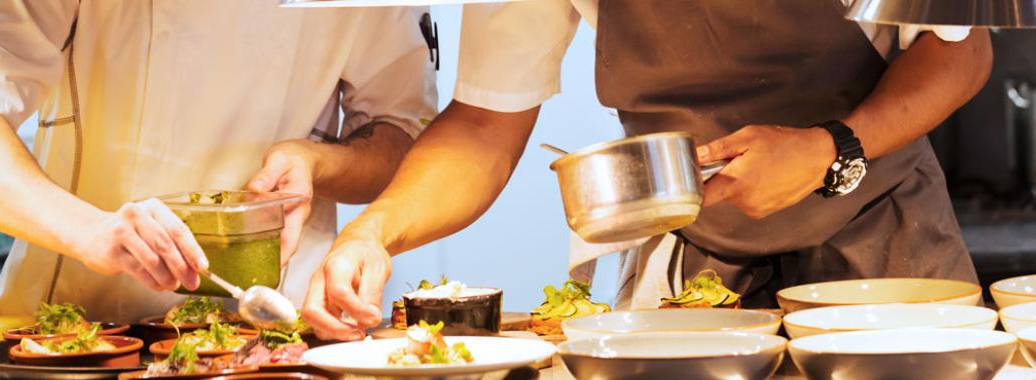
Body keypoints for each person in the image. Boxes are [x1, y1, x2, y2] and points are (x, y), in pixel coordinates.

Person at [304, 0, 992, 340]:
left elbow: (959, 49)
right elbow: (485, 123)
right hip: (698, 266)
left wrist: (831, 148)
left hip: (889, 244)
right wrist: (374, 232)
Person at [0, 0, 435, 320]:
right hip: (73, 320)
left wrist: (316, 162)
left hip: (275, 327)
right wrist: (89, 230)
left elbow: (403, 138)